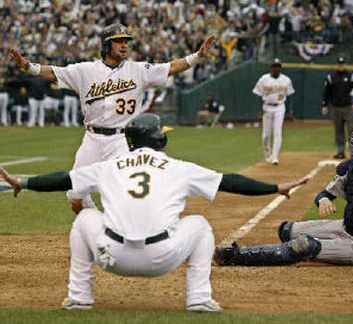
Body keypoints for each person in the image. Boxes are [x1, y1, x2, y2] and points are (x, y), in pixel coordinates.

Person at [0, 113, 308, 312]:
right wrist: (276, 187)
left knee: (83, 218)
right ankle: (199, 299)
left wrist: (23, 182)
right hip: (162, 259)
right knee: (200, 224)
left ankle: (80, 297)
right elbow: (229, 181)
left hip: (113, 257)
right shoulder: (179, 168)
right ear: (159, 139)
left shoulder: (108, 166)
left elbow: (62, 179)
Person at [9, 23, 216, 214]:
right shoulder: (85, 70)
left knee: (126, 192)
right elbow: (53, 73)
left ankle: (127, 235)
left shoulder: (138, 70)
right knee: (75, 195)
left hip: (122, 141)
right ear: (107, 45)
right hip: (91, 139)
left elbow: (170, 68)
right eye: (119, 41)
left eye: (126, 41)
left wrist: (197, 56)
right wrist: (28, 66)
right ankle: (97, 229)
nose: (124, 45)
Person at [214, 117, 353, 267]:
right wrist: (324, 200)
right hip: (344, 228)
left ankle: (235, 256)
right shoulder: (352, 168)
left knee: (304, 246)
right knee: (286, 230)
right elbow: (324, 194)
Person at [253, 58, 295, 166]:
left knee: (277, 132)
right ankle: (267, 153)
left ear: (280, 67)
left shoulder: (286, 80)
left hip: (280, 107)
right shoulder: (264, 79)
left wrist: (290, 111)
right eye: (274, 66)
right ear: (271, 67)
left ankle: (275, 156)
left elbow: (289, 96)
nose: (276, 68)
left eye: (278, 66)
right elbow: (257, 94)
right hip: (267, 107)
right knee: (266, 135)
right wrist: (259, 109)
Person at [321, 57, 353, 159]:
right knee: (339, 130)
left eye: (343, 63)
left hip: (349, 107)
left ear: (346, 64)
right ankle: (340, 151)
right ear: (337, 65)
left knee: (351, 129)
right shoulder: (331, 77)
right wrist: (324, 105)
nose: (341, 65)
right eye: (339, 64)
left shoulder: (352, 76)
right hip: (336, 107)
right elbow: (326, 92)